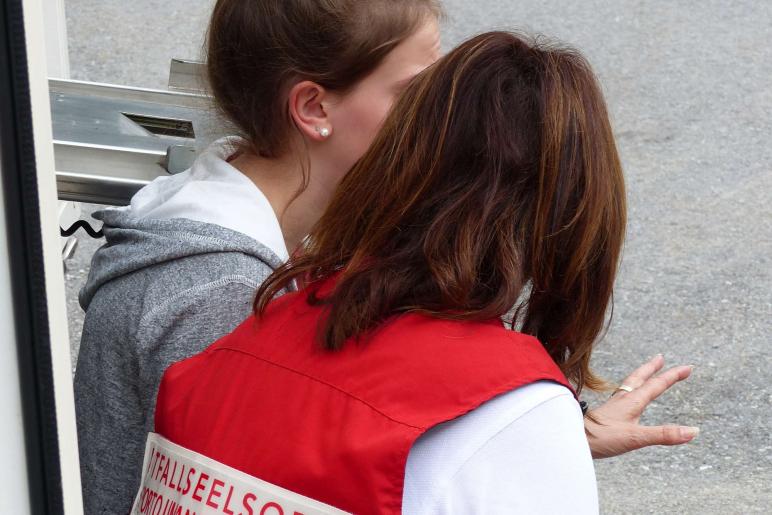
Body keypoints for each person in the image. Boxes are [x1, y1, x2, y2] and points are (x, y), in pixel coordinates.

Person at [75, 1, 695, 513]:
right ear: (313, 108)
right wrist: (516, 431)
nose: (441, 118)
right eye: (418, 94)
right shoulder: (219, 296)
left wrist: (537, 435)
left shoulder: (243, 238)